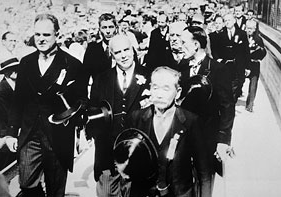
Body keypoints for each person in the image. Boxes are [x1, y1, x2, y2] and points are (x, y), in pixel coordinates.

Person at [5, 13, 88, 197]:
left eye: (46, 35)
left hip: (58, 137)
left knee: (56, 189)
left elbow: (82, 100)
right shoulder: (26, 63)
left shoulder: (72, 64)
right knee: (26, 183)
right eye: (37, 35)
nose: (41, 39)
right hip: (30, 135)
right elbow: (17, 100)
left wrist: (74, 117)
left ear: (57, 35)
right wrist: (11, 133)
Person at [130, 66, 212, 197]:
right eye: (155, 88)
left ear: (178, 92)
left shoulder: (191, 121)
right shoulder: (137, 118)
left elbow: (204, 172)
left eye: (166, 88)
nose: (159, 94)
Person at [86, 34, 149, 197]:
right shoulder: (101, 79)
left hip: (138, 155)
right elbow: (92, 114)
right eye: (118, 52)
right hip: (108, 157)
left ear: (133, 50)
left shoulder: (149, 76)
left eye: (126, 50)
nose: (123, 55)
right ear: (112, 55)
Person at [179, 26, 235, 193]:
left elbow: (227, 107)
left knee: (205, 182)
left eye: (183, 42)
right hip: (184, 139)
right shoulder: (182, 68)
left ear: (196, 44)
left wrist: (223, 140)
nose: (179, 45)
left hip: (207, 139)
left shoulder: (218, 70)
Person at [211, 13, 250, 102]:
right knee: (227, 86)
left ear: (234, 21)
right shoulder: (220, 34)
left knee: (239, 84)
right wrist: (218, 59)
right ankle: (229, 106)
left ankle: (232, 101)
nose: (227, 22)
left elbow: (246, 51)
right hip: (225, 65)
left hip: (238, 65)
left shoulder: (242, 34)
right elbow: (215, 49)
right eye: (225, 21)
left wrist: (248, 67)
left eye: (229, 20)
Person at [83, 13, 118, 83]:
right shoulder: (92, 49)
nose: (108, 31)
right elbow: (84, 76)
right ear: (99, 30)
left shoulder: (124, 48)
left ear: (116, 28)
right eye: (104, 27)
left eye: (111, 27)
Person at [245, 20, 266, 112]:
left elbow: (263, 52)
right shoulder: (242, 37)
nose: (248, 30)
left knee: (253, 84)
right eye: (247, 28)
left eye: (250, 28)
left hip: (254, 64)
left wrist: (257, 56)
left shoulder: (258, 39)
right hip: (244, 63)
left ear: (254, 29)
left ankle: (250, 104)